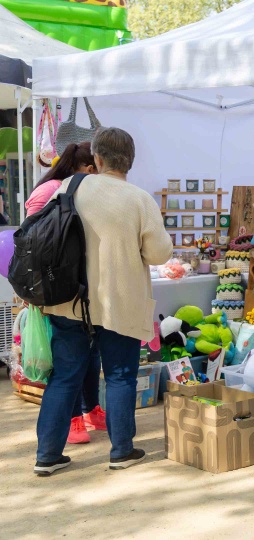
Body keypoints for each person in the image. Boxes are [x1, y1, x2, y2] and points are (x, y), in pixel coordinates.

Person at [34, 127, 173, 477]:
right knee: (121, 376)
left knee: (64, 377)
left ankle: (47, 455)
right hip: (119, 303)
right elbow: (159, 253)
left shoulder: (68, 188)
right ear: (130, 160)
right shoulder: (139, 199)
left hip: (69, 301)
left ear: (96, 158)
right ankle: (121, 451)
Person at [25, 142, 106, 446]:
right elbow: (34, 243)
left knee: (89, 352)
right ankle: (73, 419)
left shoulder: (64, 188)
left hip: (74, 287)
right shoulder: (53, 192)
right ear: (87, 169)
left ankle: (91, 409)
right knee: (68, 361)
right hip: (55, 288)